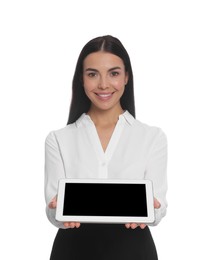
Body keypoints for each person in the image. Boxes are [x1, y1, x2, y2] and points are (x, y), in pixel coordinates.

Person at [44, 35, 168, 260]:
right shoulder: (58, 139)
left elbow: (158, 209)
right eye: (92, 74)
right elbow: (54, 211)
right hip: (72, 251)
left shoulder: (152, 137)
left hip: (133, 251)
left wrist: (153, 208)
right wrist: (56, 209)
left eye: (114, 73)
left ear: (126, 77)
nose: (103, 84)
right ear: (81, 79)